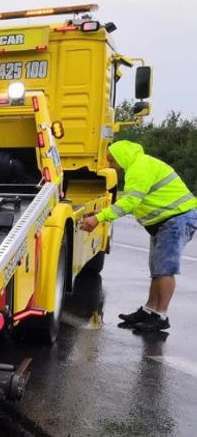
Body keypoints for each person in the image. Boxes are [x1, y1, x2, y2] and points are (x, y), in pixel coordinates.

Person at [80, 140, 197, 332]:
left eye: (111, 160)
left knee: (165, 270)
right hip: (167, 221)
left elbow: (131, 203)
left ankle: (160, 316)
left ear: (121, 157)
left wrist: (99, 218)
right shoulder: (141, 165)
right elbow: (130, 200)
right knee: (157, 269)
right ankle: (149, 310)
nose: (110, 165)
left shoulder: (139, 168)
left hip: (176, 219)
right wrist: (100, 215)